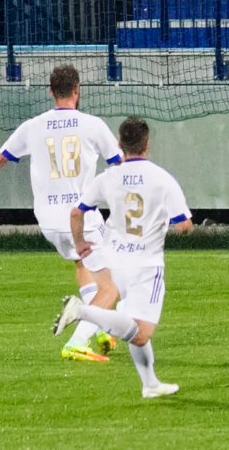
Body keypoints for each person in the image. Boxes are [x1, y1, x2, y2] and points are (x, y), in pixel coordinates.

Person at [0, 64, 123, 362]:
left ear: (50, 91)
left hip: (49, 222)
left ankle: (98, 331)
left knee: (81, 261)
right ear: (77, 90)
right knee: (112, 285)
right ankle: (78, 337)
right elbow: (120, 166)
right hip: (81, 218)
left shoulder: (33, 126)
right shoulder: (93, 125)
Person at [53, 116, 193, 399]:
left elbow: (76, 212)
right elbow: (184, 226)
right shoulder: (162, 179)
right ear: (147, 144)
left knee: (132, 322)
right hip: (145, 264)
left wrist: (80, 244)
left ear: (119, 144)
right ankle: (81, 311)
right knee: (141, 333)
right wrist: (169, 222)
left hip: (114, 261)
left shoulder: (108, 178)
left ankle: (150, 384)